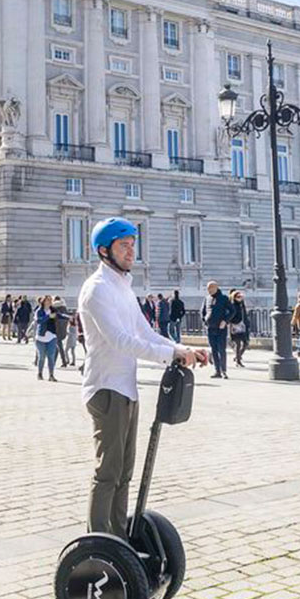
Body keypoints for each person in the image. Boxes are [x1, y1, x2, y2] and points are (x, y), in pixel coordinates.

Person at [78, 218, 206, 537]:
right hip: (106, 389)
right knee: (107, 473)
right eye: (124, 245)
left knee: (124, 473)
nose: (131, 251)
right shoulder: (96, 289)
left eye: (133, 245)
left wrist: (181, 347)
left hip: (126, 389)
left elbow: (145, 332)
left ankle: (119, 540)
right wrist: (171, 356)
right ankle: (98, 543)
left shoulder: (122, 286)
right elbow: (120, 340)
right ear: (103, 250)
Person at [201, 281, 232, 378]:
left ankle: (223, 371)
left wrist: (225, 321)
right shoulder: (207, 298)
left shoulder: (224, 298)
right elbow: (202, 311)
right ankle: (217, 370)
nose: (209, 290)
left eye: (211, 288)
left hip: (221, 328)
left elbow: (232, 311)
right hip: (210, 328)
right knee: (213, 350)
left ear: (216, 288)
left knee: (221, 349)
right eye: (208, 288)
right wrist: (205, 320)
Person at [35, 297, 58, 381]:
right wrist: (48, 316)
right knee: (41, 357)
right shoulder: (39, 311)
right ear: (43, 302)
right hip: (41, 337)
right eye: (47, 300)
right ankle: (40, 373)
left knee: (51, 356)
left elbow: (60, 315)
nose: (49, 302)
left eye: (50, 301)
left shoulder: (53, 310)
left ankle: (51, 375)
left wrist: (69, 317)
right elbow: (39, 321)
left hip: (52, 336)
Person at [228, 289, 250, 367]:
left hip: (242, 325)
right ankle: (238, 360)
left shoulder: (241, 304)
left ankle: (238, 356)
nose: (240, 298)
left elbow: (244, 314)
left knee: (245, 343)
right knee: (237, 343)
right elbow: (230, 315)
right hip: (235, 325)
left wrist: (246, 323)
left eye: (240, 296)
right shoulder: (233, 305)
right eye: (238, 296)